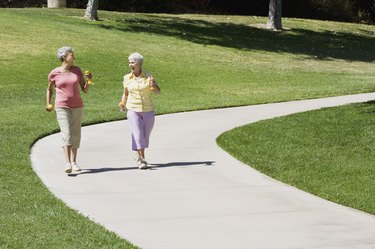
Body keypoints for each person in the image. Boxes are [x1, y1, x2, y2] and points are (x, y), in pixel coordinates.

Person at [46, 46, 91, 174]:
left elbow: (84, 89)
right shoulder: (54, 73)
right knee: (66, 133)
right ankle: (68, 163)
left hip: (77, 106)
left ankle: (74, 161)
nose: (74, 58)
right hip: (62, 106)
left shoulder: (77, 70)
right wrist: (48, 103)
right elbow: (49, 89)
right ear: (64, 57)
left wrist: (89, 80)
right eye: (72, 55)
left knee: (76, 133)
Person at [119, 52, 160, 169]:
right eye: (129, 62)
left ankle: (139, 156)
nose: (130, 65)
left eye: (132, 62)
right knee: (137, 134)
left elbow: (157, 93)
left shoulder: (148, 77)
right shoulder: (127, 78)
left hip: (148, 110)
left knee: (145, 136)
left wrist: (155, 85)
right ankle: (140, 159)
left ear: (139, 64)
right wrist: (123, 104)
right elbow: (125, 94)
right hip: (132, 109)